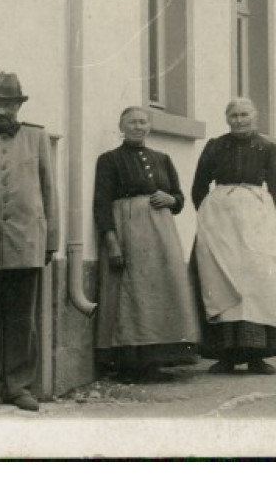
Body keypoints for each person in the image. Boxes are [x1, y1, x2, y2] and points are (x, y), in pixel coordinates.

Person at [0, 72, 57, 411]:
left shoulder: (37, 138)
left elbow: (49, 190)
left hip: (25, 240)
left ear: (18, 106)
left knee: (21, 317)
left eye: (9, 103)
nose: (2, 109)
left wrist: (51, 240)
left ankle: (19, 385)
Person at [92, 106, 201, 380]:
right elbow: (101, 203)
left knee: (162, 291)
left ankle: (156, 361)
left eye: (143, 122)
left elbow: (179, 198)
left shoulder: (163, 159)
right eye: (132, 122)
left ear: (149, 127)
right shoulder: (109, 159)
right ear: (122, 126)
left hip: (161, 233)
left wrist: (171, 199)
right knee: (133, 294)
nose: (138, 127)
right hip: (128, 230)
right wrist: (111, 240)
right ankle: (130, 364)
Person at [188, 98, 276, 375]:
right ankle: (226, 356)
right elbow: (198, 187)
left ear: (255, 117)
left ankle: (258, 356)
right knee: (222, 280)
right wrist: (213, 216)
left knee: (260, 282)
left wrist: (260, 218)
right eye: (233, 115)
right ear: (226, 118)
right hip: (220, 223)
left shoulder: (268, 148)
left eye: (244, 114)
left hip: (256, 221)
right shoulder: (215, 146)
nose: (239, 120)